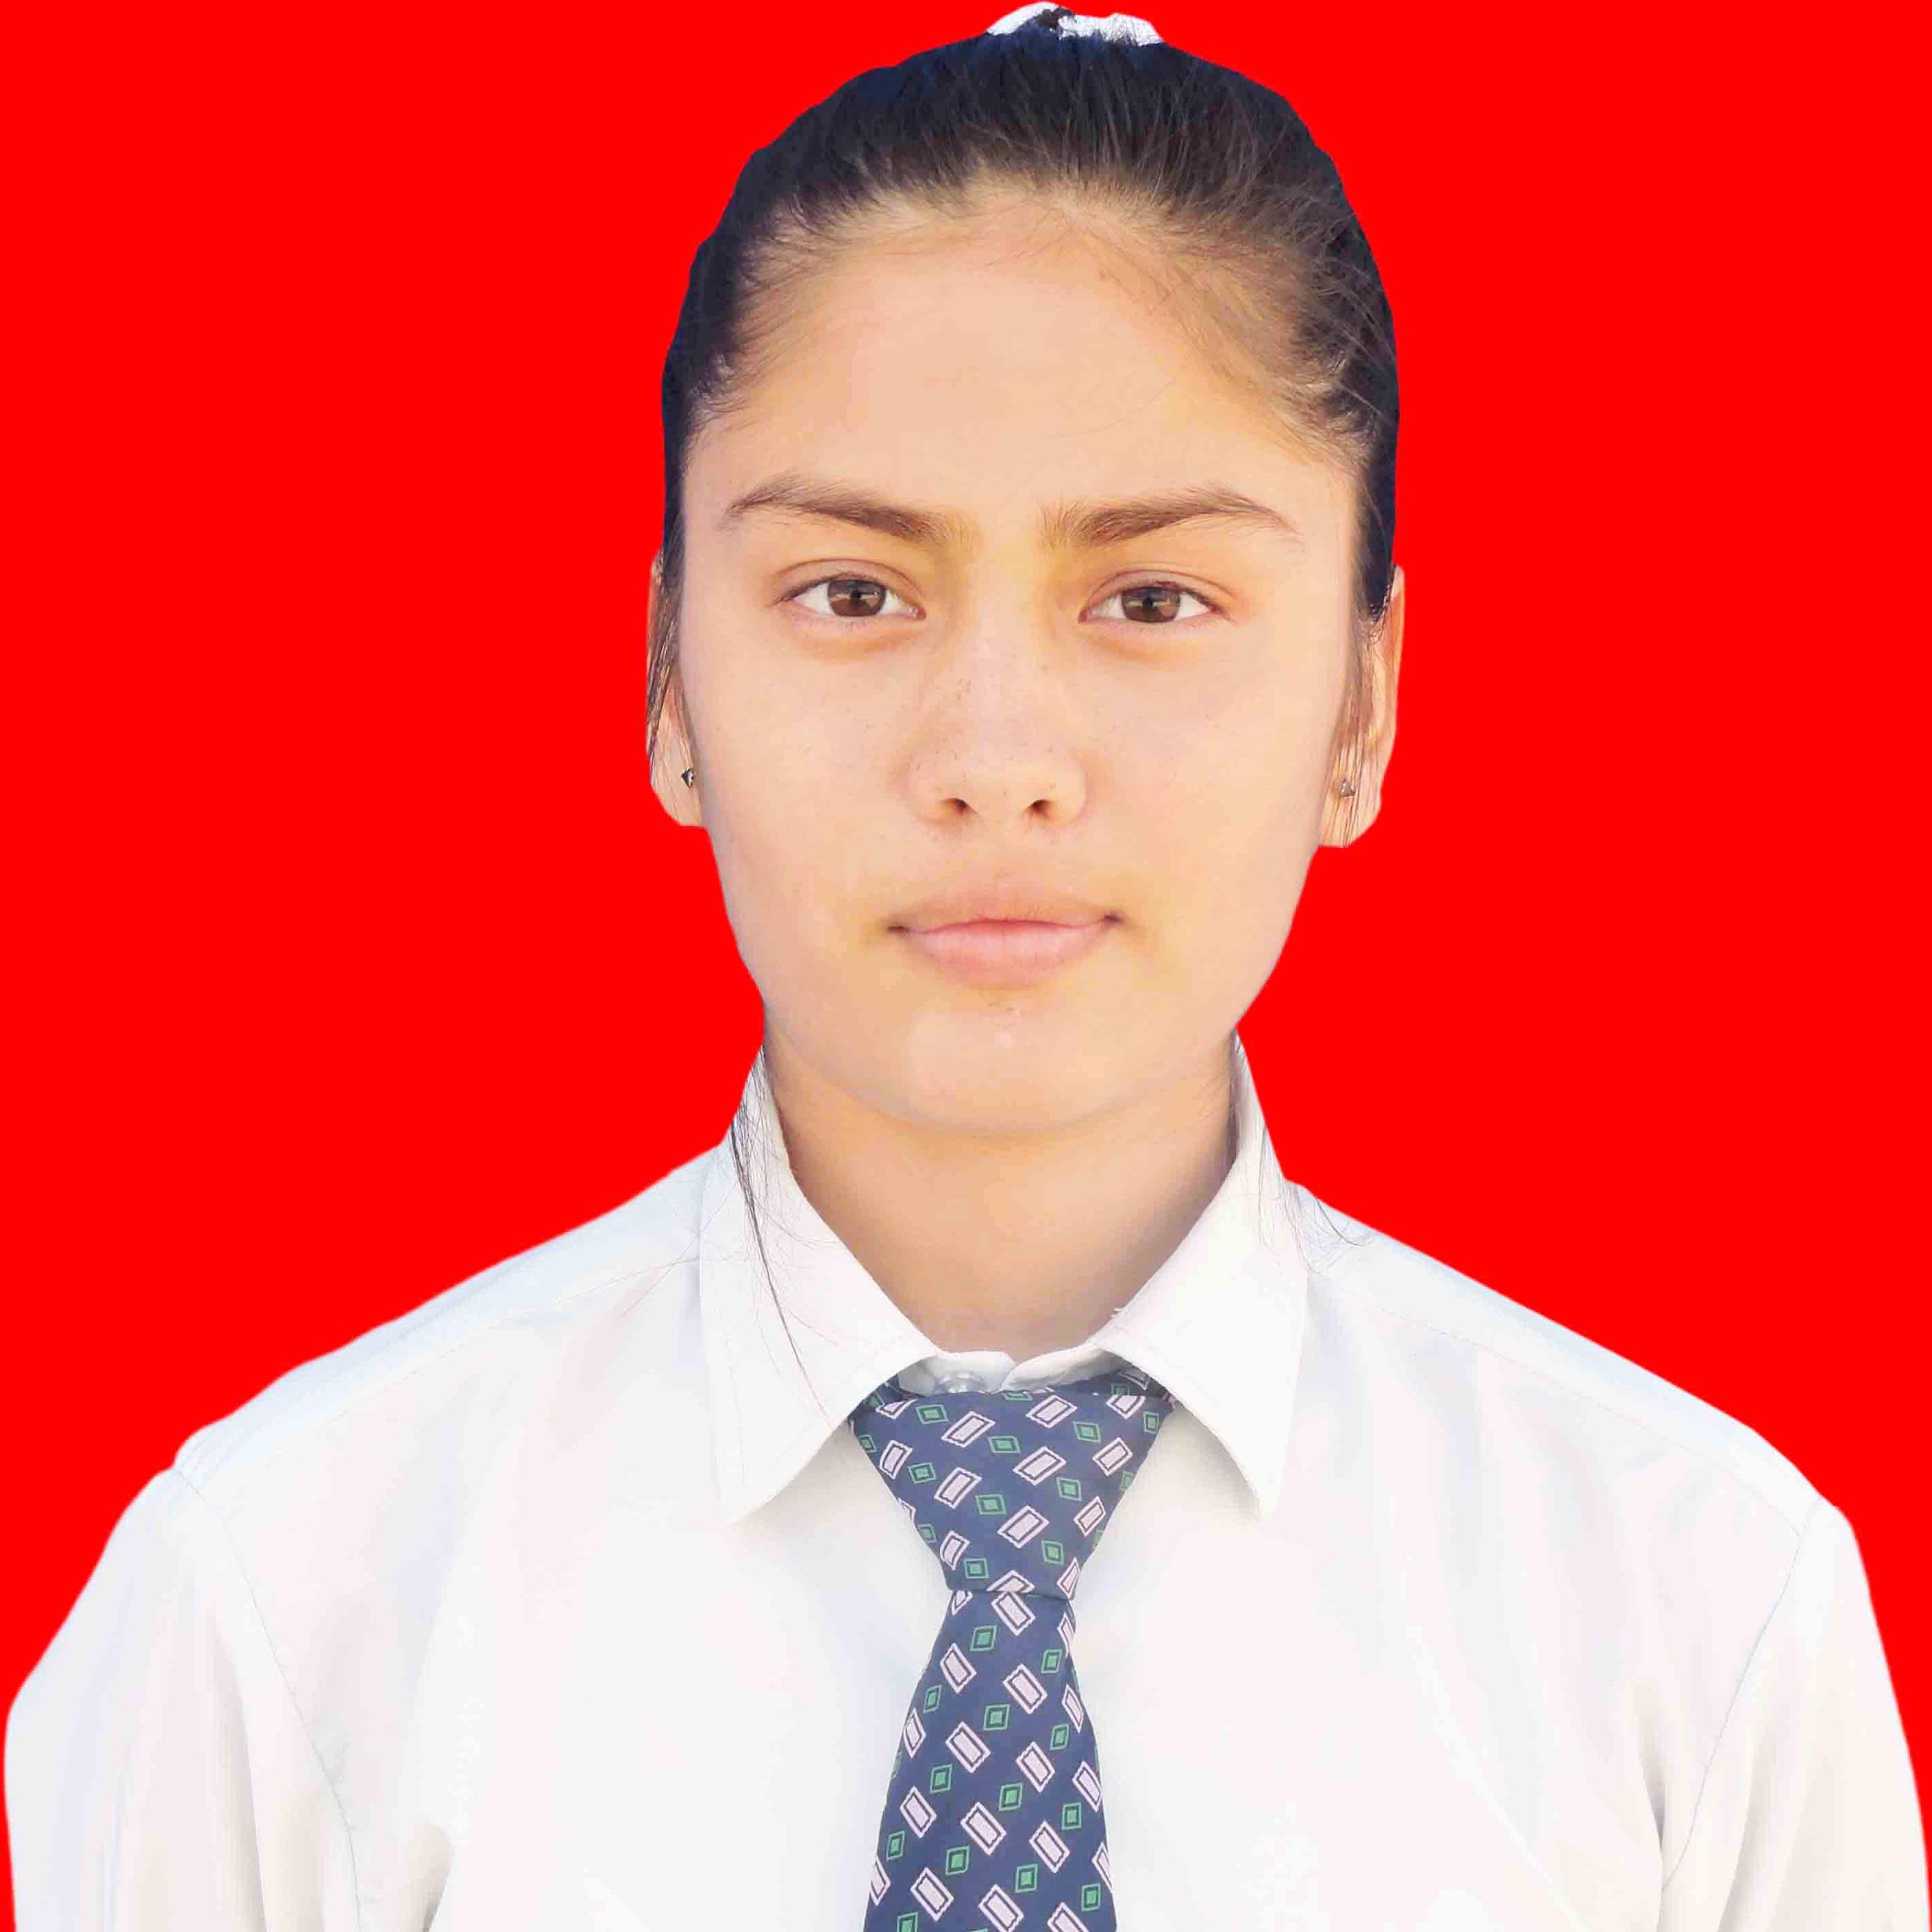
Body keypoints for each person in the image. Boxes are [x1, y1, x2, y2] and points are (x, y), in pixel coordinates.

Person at [6, 5, 1925, 1926]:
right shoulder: (282, 1608)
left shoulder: (1696, 1618)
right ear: (668, 680)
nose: (997, 757)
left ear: (1365, 702)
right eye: (853, 592)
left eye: (1153, 597)